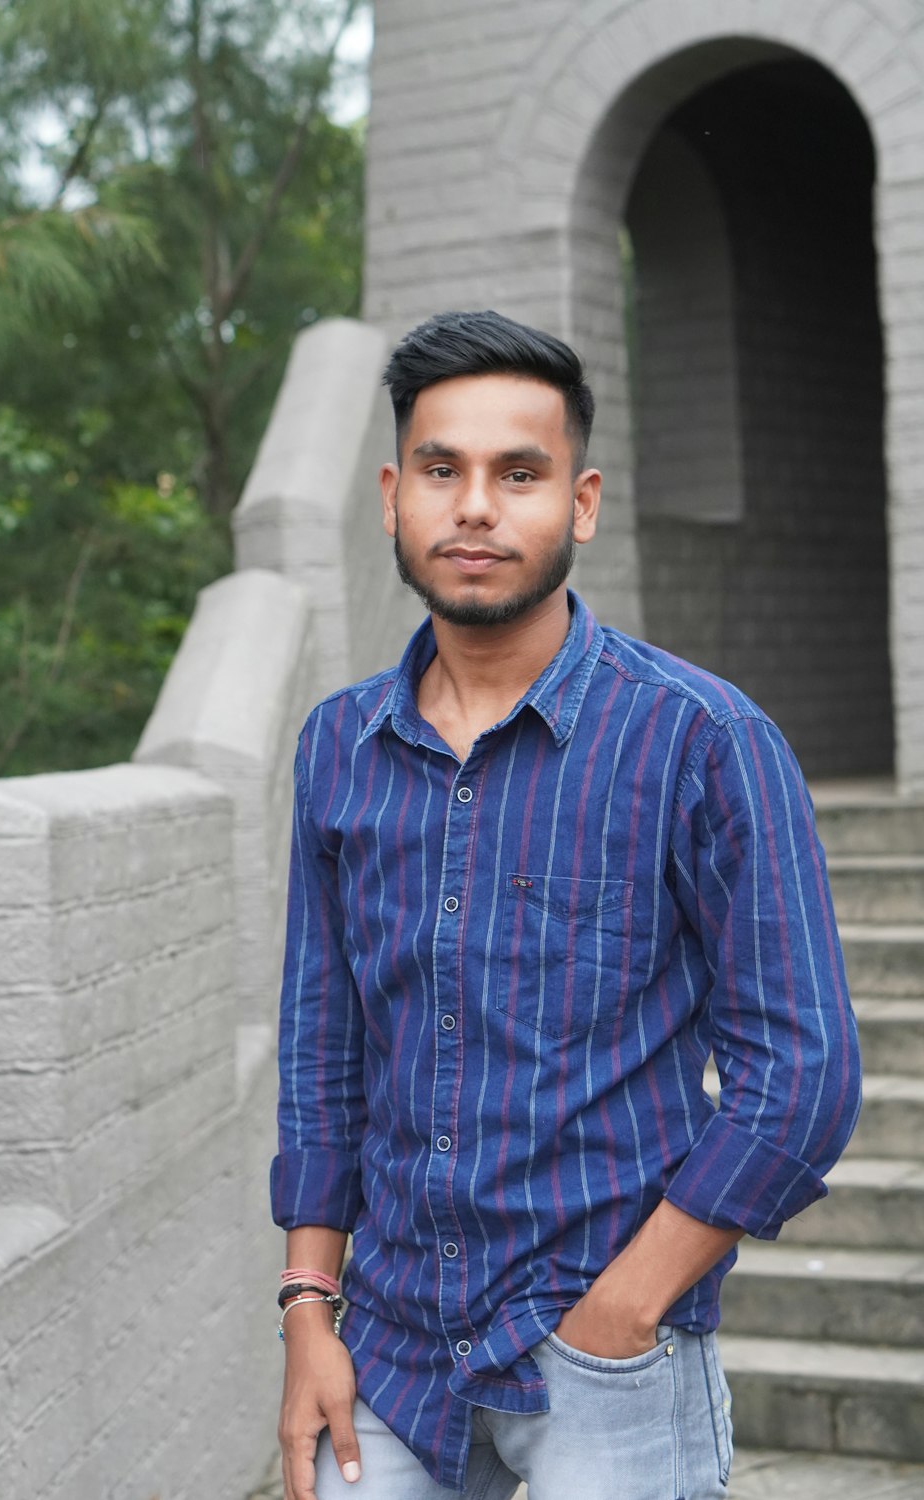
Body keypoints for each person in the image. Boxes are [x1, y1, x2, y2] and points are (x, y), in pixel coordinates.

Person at [270, 309, 861, 1500]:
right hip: (382, 1346)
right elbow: (320, 1056)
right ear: (393, 496)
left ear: (579, 504)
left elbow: (801, 1075)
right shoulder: (340, 746)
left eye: (519, 473)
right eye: (442, 470)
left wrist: (626, 1308)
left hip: (604, 1353)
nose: (475, 506)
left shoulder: (701, 741)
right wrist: (304, 1314)